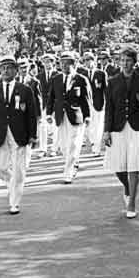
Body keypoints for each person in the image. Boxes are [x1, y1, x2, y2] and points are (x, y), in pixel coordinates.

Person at [103, 45, 139, 218]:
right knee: (119, 167)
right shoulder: (112, 81)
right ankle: (127, 187)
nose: (125, 63)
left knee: (134, 165)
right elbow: (109, 108)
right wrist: (106, 131)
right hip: (117, 127)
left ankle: (131, 203)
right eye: (122, 60)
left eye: (128, 60)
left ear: (134, 62)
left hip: (137, 127)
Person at [0, 55, 37, 214]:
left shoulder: (25, 90)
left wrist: (33, 135)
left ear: (16, 71)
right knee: (0, 168)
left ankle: (14, 203)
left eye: (9, 68)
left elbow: (31, 115)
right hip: (0, 134)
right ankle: (13, 184)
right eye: (3, 68)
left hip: (19, 134)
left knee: (19, 170)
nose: (6, 71)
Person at [46, 51, 91, 183]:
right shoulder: (56, 79)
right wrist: (49, 113)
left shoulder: (81, 79)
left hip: (76, 116)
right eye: (62, 63)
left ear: (74, 64)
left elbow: (86, 99)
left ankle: (68, 172)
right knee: (64, 146)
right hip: (61, 115)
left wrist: (88, 116)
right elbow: (51, 97)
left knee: (73, 144)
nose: (64, 66)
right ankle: (74, 163)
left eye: (67, 63)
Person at [83, 51, 107, 156]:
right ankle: (93, 142)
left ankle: (96, 147)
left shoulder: (101, 73)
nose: (87, 62)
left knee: (98, 126)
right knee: (89, 126)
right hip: (87, 104)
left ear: (94, 60)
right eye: (85, 60)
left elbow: (106, 90)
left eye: (89, 60)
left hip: (99, 103)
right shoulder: (82, 74)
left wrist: (107, 103)